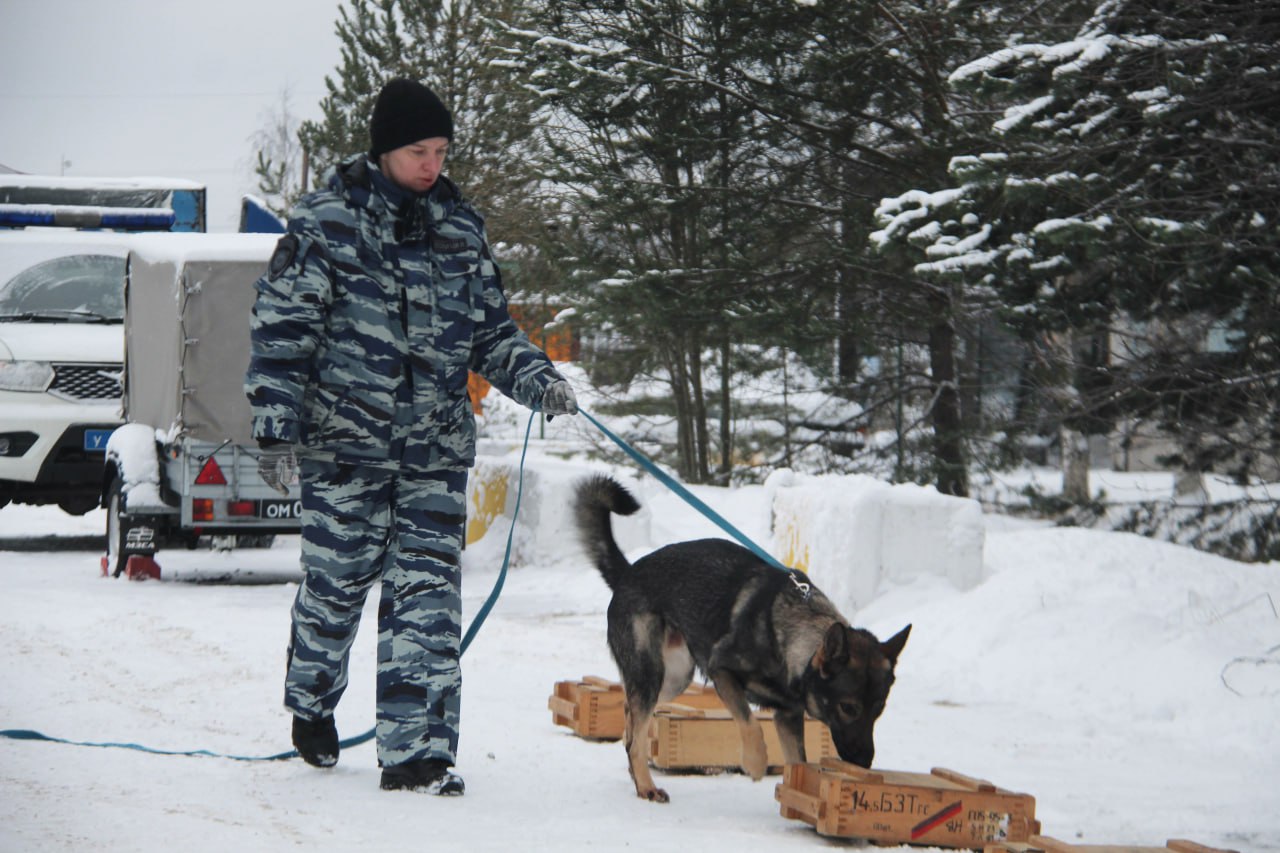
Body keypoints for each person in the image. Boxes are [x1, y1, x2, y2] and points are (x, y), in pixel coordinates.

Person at [244, 77, 578, 796]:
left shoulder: (460, 228)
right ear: (385, 150)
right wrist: (275, 428)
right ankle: (311, 702)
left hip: (434, 451)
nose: (433, 165)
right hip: (345, 449)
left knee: (426, 600)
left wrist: (538, 380)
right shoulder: (327, 223)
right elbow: (282, 333)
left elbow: (490, 332)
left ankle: (418, 754)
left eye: (442, 150)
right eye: (419, 151)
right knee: (334, 593)